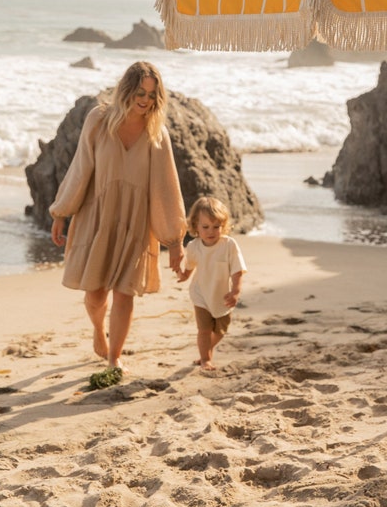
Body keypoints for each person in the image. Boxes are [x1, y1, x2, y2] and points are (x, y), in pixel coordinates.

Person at [50, 61, 186, 371]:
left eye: (152, 95)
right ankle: (99, 331)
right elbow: (80, 168)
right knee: (96, 296)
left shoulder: (156, 134)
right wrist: (61, 212)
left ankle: (115, 359)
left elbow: (167, 187)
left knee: (126, 295)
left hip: (135, 223)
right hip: (96, 218)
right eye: (140, 92)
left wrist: (175, 240)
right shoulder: (98, 120)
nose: (145, 100)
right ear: (126, 89)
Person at [177, 196, 246, 371]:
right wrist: (184, 275)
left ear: (223, 226)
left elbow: (237, 270)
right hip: (200, 294)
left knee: (220, 331)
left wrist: (236, 291)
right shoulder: (193, 246)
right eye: (205, 227)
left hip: (222, 296)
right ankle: (205, 359)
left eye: (216, 227)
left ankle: (206, 349)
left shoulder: (229, 245)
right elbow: (190, 265)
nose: (211, 232)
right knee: (204, 330)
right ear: (195, 226)